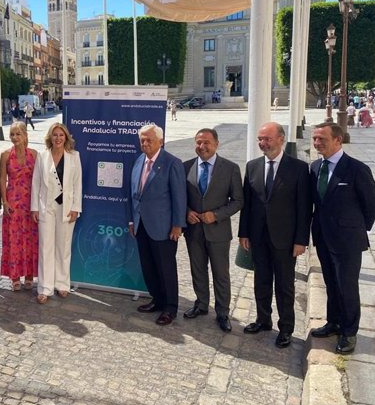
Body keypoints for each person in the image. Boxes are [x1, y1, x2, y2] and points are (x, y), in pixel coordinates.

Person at [238, 122, 311, 348]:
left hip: (285, 240)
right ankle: (263, 319)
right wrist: (244, 233)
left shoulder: (299, 168)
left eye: (267, 139)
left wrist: (301, 240)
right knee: (261, 281)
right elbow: (247, 205)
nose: (263, 143)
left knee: (284, 286)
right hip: (258, 237)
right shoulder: (252, 166)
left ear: (281, 139)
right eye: (260, 139)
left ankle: (286, 328)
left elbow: (304, 208)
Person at [309, 122, 375, 354]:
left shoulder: (357, 169)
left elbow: (371, 204)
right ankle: (333, 322)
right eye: (315, 139)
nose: (317, 143)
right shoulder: (315, 166)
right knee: (331, 282)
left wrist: (357, 229)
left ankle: (349, 332)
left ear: (338, 140)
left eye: (322, 139)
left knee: (347, 286)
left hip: (347, 240)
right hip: (322, 237)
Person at [183, 128, 243, 332]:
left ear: (217, 144)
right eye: (199, 142)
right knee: (197, 270)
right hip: (194, 231)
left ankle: (223, 312)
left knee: (221, 273)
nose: (202, 146)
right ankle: (200, 304)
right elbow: (180, 197)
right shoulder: (186, 167)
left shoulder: (230, 168)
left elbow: (238, 201)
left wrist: (216, 215)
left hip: (218, 231)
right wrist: (186, 212)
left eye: (207, 142)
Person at [127, 124, 186, 325]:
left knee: (166, 268)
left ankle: (170, 308)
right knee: (149, 266)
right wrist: (131, 220)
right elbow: (133, 196)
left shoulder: (172, 163)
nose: (145, 143)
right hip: (141, 225)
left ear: (160, 141)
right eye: (142, 140)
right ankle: (157, 300)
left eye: (149, 139)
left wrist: (178, 225)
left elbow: (179, 197)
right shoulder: (138, 161)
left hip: (164, 227)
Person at [31, 123, 82, 304]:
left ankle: (62, 284)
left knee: (63, 246)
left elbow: (77, 184)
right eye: (55, 135)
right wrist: (34, 208)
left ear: (66, 137)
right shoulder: (42, 156)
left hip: (66, 208)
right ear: (50, 138)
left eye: (61, 135)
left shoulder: (74, 157)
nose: (58, 138)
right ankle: (45, 288)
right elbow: (36, 183)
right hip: (47, 207)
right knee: (46, 247)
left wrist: (76, 207)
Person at [0, 121, 38, 291]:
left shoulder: (35, 154)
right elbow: (2, 179)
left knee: (31, 239)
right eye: (12, 135)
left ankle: (29, 274)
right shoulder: (6, 155)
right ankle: (15, 276)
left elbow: (39, 180)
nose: (14, 138)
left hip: (31, 202)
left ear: (25, 135)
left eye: (18, 134)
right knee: (14, 239)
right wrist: (4, 202)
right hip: (13, 203)